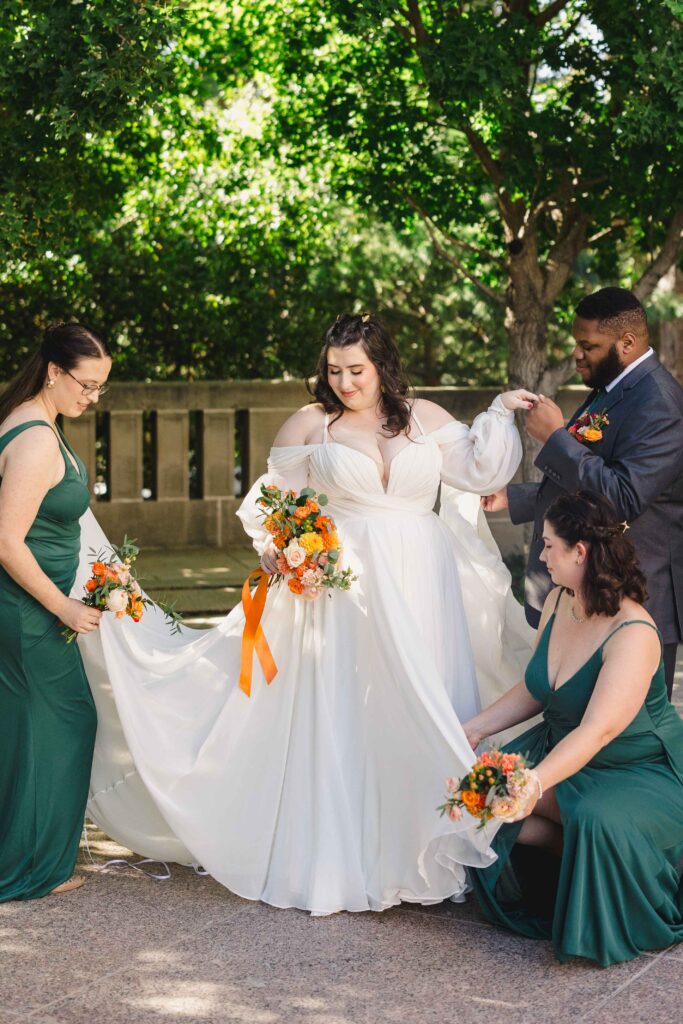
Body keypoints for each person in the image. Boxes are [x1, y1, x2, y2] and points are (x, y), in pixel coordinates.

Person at [74, 312, 536, 914]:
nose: (345, 382)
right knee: (352, 710)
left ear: (382, 365)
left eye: (357, 370)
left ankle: (423, 847)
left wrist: (500, 412)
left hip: (425, 580)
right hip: (347, 592)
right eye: (335, 370)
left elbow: (479, 469)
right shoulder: (311, 424)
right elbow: (269, 504)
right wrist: (279, 547)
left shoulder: (425, 417)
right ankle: (346, 854)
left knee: (427, 697)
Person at [463, 491, 683, 966]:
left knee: (589, 816)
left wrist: (534, 780)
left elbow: (599, 731)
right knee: (483, 793)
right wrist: (474, 729)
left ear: (579, 551)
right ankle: (584, 858)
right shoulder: (561, 599)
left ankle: (626, 860)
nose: (541, 555)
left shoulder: (634, 632)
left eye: (548, 545)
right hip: (565, 750)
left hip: (635, 771)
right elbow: (537, 687)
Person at [482, 287, 683, 697]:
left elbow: (623, 497)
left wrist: (556, 438)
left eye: (587, 345)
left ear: (627, 343)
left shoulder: (659, 403)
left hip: (636, 596)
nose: (577, 354)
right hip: (593, 592)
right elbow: (591, 478)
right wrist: (516, 498)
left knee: (629, 740)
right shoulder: (614, 388)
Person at [0, 322, 111, 900]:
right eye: (86, 385)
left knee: (22, 729)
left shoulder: (29, 420)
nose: (92, 397)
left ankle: (28, 856)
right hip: (27, 609)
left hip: (26, 606)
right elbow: (7, 542)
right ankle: (32, 870)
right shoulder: (37, 438)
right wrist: (64, 606)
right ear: (53, 372)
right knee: (68, 720)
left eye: (100, 388)